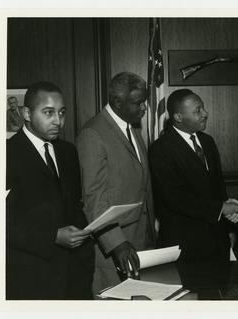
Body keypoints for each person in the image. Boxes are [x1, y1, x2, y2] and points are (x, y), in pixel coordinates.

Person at [6, 81, 94, 299]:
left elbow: (74, 205)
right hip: (31, 277)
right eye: (48, 112)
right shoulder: (5, 154)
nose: (58, 121)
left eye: (61, 113)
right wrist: (52, 237)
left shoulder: (68, 152)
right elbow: (0, 221)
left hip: (74, 275)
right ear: (26, 113)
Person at [76, 72, 156, 295]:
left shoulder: (132, 128)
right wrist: (116, 243)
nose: (144, 108)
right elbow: (93, 199)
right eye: (138, 103)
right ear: (117, 102)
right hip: (115, 248)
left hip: (142, 240)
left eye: (145, 101)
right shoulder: (93, 134)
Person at [149, 89, 238, 262]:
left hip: (217, 239)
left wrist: (228, 229)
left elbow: (218, 188)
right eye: (197, 111)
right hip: (185, 244)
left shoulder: (207, 142)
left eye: (203, 108)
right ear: (178, 117)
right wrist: (220, 209)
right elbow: (175, 198)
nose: (205, 114)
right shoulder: (161, 149)